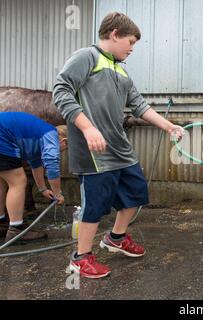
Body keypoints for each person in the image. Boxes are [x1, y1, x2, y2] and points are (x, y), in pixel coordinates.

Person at [53, 12, 184, 279]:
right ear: (114, 34)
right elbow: (60, 90)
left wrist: (167, 126)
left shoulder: (120, 69)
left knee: (136, 194)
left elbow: (140, 105)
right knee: (95, 206)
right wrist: (88, 127)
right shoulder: (86, 57)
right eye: (131, 42)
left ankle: (116, 237)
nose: (132, 49)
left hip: (120, 149)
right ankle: (81, 258)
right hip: (95, 153)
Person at [0, 112, 67, 243]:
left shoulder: (38, 136)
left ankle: (1, 223)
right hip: (3, 137)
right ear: (63, 141)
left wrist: (42, 189)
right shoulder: (51, 134)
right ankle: (16, 231)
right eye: (65, 148)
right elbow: (52, 163)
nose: (62, 151)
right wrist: (58, 193)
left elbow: (36, 163)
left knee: (1, 181)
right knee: (18, 181)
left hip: (3, 134)